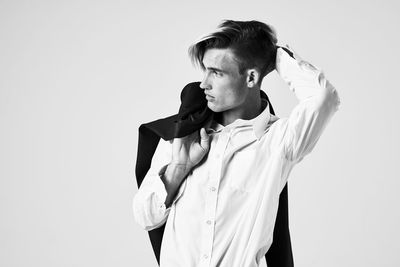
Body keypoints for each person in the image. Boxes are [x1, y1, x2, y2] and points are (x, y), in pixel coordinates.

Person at [133, 19, 340, 267]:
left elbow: (323, 97)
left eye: (217, 73)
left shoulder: (279, 140)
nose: (203, 84)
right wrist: (178, 168)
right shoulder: (184, 134)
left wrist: (274, 55)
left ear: (251, 77)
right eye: (205, 70)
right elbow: (145, 217)